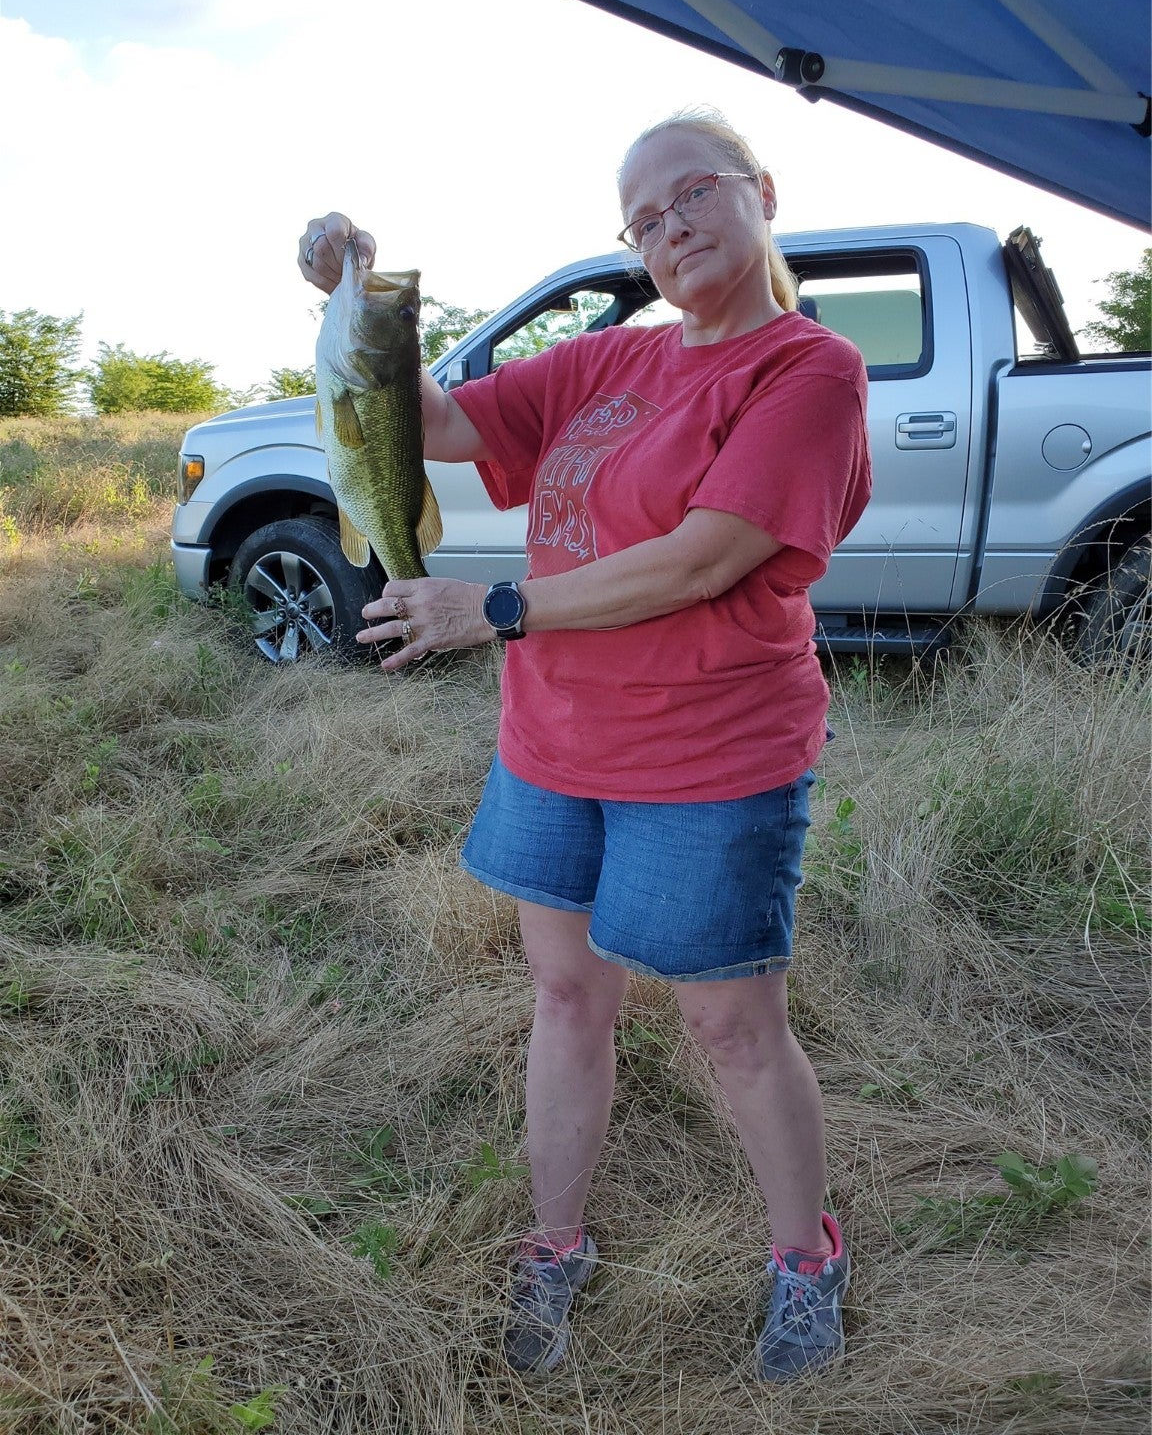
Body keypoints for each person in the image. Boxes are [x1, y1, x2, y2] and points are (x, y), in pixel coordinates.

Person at [298, 109, 871, 1382]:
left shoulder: (808, 370)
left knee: (731, 1027)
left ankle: (806, 1256)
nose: (671, 227)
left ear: (762, 191)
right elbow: (436, 425)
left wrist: (495, 607)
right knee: (564, 997)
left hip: (710, 759)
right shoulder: (608, 361)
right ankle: (555, 1240)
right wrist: (348, 301)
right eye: (644, 218)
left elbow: (705, 557)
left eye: (694, 193)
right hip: (551, 744)